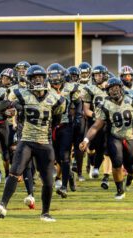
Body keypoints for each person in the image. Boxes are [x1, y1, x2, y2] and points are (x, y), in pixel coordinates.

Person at [0, 65, 65, 222]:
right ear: (29, 80)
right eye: (34, 78)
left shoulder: (56, 99)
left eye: (40, 77)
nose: (38, 80)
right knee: (14, 171)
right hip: (26, 140)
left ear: (45, 79)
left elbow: (56, 122)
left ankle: (45, 213)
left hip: (44, 142)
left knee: (48, 181)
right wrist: (12, 106)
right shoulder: (20, 94)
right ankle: (3, 205)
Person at [80, 77, 133, 200]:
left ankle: (130, 178)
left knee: (131, 167)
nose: (114, 91)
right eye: (111, 89)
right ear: (107, 91)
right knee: (117, 162)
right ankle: (120, 190)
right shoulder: (104, 104)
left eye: (116, 87)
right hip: (114, 137)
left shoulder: (131, 99)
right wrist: (86, 140)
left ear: (121, 88)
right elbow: (96, 126)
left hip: (130, 136)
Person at [48, 63, 81, 198]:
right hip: (50, 126)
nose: (55, 79)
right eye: (52, 76)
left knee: (65, 156)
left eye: (57, 75)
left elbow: (78, 102)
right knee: (55, 158)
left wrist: (78, 116)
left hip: (66, 125)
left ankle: (64, 186)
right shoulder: (44, 88)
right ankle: (69, 176)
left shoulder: (70, 87)